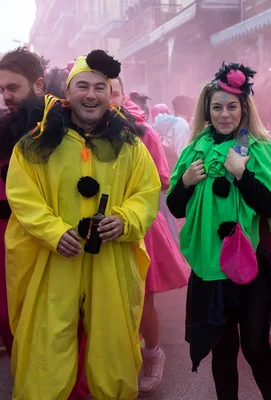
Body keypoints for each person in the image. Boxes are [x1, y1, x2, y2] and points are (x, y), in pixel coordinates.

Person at [5, 49, 161, 399]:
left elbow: (146, 191)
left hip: (110, 259)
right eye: (82, 86)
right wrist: (54, 232)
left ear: (110, 94)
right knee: (47, 343)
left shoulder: (130, 144)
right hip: (55, 259)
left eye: (99, 88)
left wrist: (125, 220)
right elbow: (23, 195)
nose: (91, 95)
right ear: (68, 92)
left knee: (113, 344)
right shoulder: (36, 142)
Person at [166, 62, 271, 400]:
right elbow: (176, 207)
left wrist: (242, 175)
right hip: (210, 264)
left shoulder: (260, 149)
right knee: (222, 353)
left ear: (243, 108)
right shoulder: (194, 150)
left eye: (231, 106)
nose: (224, 114)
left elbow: (269, 207)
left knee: (254, 348)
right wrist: (187, 183)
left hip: (251, 264)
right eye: (217, 107)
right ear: (207, 110)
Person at [111, 76, 189, 393]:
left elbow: (161, 180)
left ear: (120, 94)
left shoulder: (142, 132)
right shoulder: (78, 133)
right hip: (98, 228)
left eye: (110, 91)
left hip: (140, 225)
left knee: (143, 298)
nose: (102, 97)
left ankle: (152, 354)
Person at [0, 47, 46, 357]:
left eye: (13, 88)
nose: (6, 96)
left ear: (39, 85)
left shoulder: (62, 126)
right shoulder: (4, 128)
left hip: (50, 239)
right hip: (6, 237)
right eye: (1, 89)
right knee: (10, 315)